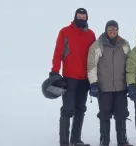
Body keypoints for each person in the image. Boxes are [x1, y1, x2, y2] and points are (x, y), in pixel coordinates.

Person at [49, 8, 96, 146]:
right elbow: (58, 53)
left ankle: (75, 140)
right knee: (68, 109)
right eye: (79, 16)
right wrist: (55, 71)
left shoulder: (91, 34)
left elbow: (94, 57)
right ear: (75, 17)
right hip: (69, 78)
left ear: (86, 18)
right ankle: (64, 142)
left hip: (84, 79)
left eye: (83, 17)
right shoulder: (65, 32)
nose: (81, 18)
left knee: (80, 109)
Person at [87, 20, 133, 146]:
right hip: (104, 88)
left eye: (114, 29)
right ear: (106, 30)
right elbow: (92, 66)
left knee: (121, 114)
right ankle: (104, 141)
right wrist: (94, 83)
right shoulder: (97, 45)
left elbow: (130, 65)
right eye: (110, 29)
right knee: (104, 115)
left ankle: (122, 140)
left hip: (120, 87)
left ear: (118, 30)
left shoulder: (124, 45)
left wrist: (130, 83)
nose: (112, 32)